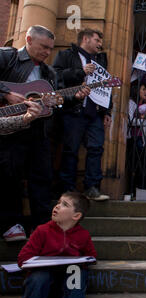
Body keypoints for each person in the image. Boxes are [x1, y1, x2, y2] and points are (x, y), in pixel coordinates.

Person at [0, 25, 90, 241]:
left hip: (38, 132)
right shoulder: (7, 57)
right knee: (9, 177)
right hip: (9, 131)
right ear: (29, 40)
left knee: (41, 178)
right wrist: (6, 93)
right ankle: (12, 225)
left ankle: (42, 228)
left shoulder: (48, 72)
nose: (47, 52)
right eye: (43, 47)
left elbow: (57, 101)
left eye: (50, 49)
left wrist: (73, 97)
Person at [52, 28, 111, 201]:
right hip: (73, 111)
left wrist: (107, 111)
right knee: (70, 149)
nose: (100, 44)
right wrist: (80, 72)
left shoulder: (100, 60)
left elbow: (105, 87)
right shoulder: (66, 55)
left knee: (96, 148)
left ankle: (92, 187)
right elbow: (55, 76)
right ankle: (67, 189)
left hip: (94, 113)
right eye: (97, 40)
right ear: (85, 39)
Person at [18, 191, 96, 298]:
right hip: (44, 274)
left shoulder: (83, 235)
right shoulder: (42, 230)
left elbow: (91, 256)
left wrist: (80, 262)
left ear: (76, 215)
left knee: (77, 273)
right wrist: (40, 263)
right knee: (39, 277)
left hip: (68, 275)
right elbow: (23, 258)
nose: (57, 206)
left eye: (64, 204)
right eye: (58, 202)